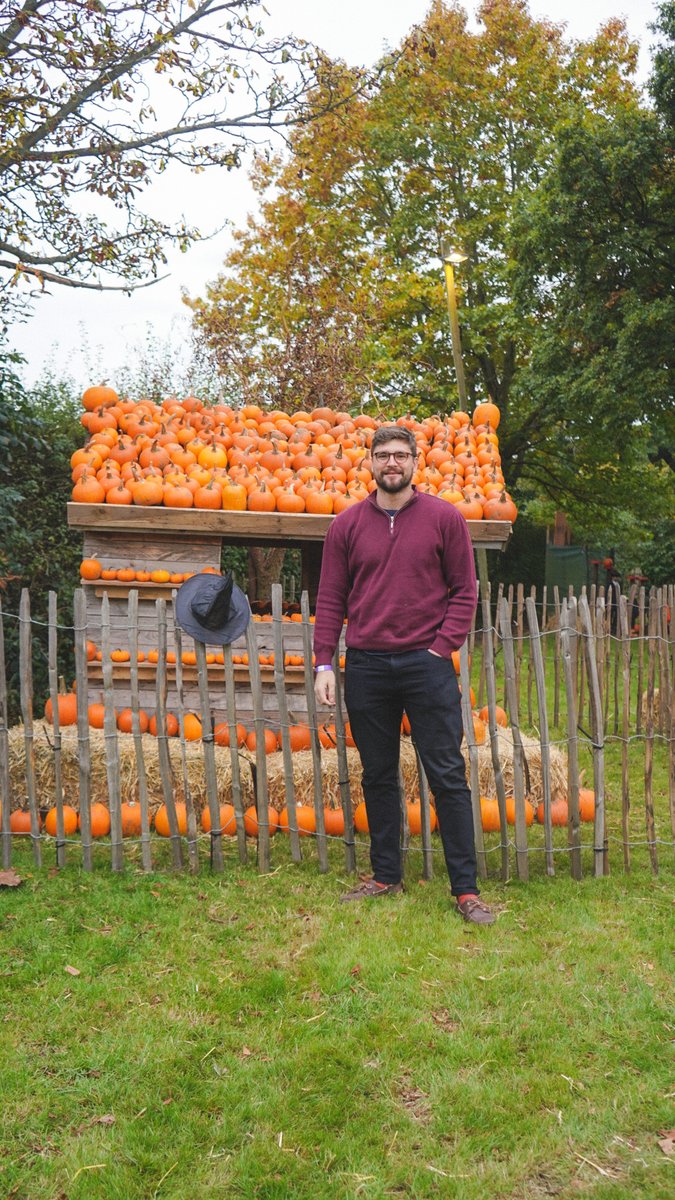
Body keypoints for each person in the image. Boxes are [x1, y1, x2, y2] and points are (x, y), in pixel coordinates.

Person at [313, 425, 494, 925]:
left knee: (447, 774)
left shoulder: (444, 519)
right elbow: (331, 599)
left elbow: (465, 590)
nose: (391, 462)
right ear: (369, 462)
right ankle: (386, 874)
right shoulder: (346, 526)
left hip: (426, 664)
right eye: (382, 455)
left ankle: (466, 889)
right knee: (377, 774)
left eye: (400, 455)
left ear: (415, 462)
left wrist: (441, 650)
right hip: (367, 664)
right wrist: (324, 662)